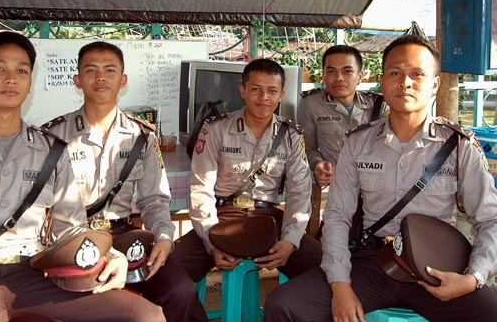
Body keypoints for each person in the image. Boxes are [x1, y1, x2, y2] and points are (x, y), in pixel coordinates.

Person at [0, 32, 165, 322]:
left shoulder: (52, 150)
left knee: (145, 316)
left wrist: (111, 255)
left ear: (29, 83)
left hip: (39, 274)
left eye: (21, 70)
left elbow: (71, 229)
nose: (11, 78)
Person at [264, 35, 497, 322]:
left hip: (437, 268)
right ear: (382, 81)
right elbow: (337, 217)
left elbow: (491, 219)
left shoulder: (459, 146)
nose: (405, 82)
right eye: (396, 73)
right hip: (372, 262)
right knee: (283, 305)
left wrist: (472, 278)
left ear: (434, 84)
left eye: (417, 74)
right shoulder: (357, 143)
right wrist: (341, 286)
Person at [43, 41, 207, 322]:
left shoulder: (142, 137)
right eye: (91, 70)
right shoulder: (54, 136)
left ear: (123, 80)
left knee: (181, 291)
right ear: (77, 80)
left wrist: (165, 238)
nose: (100, 78)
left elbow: (154, 199)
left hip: (124, 237)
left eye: (109, 70)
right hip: (73, 240)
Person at [170, 58, 322, 284]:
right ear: (242, 90)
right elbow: (200, 188)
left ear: (281, 94)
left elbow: (299, 193)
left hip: (270, 220)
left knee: (325, 269)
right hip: (222, 218)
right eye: (256, 89)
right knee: (171, 277)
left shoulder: (291, 135)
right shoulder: (216, 128)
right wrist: (210, 240)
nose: (264, 98)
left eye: (272, 90)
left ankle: (283, 310)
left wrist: (290, 241)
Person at [297, 45, 385, 187]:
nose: (339, 78)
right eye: (331, 71)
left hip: (375, 186)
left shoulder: (378, 105)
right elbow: (307, 147)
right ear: (324, 75)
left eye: (347, 71)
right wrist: (318, 164)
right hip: (337, 185)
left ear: (360, 76)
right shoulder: (311, 104)